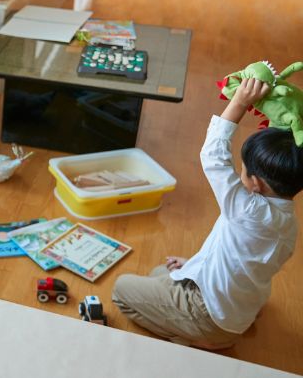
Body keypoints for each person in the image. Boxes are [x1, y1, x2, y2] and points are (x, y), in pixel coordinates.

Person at [112, 78, 302, 349]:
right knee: (160, 272)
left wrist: (239, 103)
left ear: (256, 184)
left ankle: (201, 338)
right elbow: (240, 259)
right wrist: (195, 264)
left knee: (121, 289)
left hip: (208, 315)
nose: (239, 175)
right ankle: (223, 324)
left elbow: (214, 156)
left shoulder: (246, 208)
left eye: (243, 170)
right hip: (239, 305)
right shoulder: (288, 222)